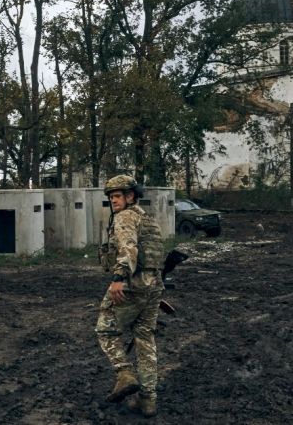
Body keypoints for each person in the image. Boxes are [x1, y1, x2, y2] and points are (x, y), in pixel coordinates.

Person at [95, 174, 164, 418]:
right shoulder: (147, 219)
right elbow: (153, 255)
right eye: (111, 197)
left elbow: (128, 249)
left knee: (105, 328)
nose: (113, 201)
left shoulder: (124, 217)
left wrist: (118, 279)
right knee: (145, 339)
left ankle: (124, 373)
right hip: (153, 284)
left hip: (132, 283)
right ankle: (148, 400)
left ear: (130, 196)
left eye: (117, 196)